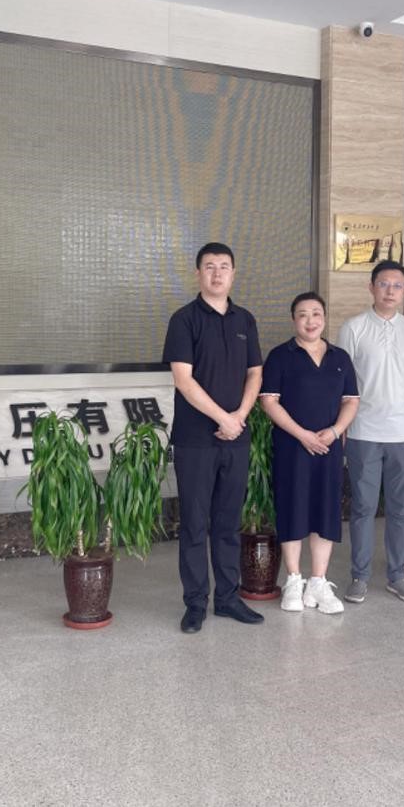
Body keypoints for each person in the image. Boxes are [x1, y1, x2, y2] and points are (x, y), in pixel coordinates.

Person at [162, 242, 264, 634]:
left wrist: (239, 417)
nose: (217, 273)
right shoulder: (184, 320)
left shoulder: (245, 320)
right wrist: (224, 417)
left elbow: (255, 373)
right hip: (195, 440)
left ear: (233, 273)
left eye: (224, 266)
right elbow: (183, 380)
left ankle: (227, 598)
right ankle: (194, 603)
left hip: (235, 438)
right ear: (198, 273)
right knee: (194, 523)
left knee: (227, 521)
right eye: (209, 266)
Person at [259, 293, 360, 614]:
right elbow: (269, 401)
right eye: (302, 314)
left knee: (325, 510)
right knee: (292, 507)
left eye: (316, 313)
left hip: (328, 447)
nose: (310, 320)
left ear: (325, 318)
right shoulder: (280, 356)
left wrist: (334, 431)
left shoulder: (340, 357)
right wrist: (302, 435)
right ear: (294, 320)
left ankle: (318, 581)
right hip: (292, 446)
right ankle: (293, 580)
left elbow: (351, 400)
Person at [336, 260, 404, 604]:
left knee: (400, 509)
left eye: (397, 285)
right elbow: (342, 384)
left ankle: (397, 576)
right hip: (363, 431)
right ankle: (359, 576)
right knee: (363, 507)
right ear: (371, 287)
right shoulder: (353, 328)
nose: (390, 291)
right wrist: (342, 426)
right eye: (384, 284)